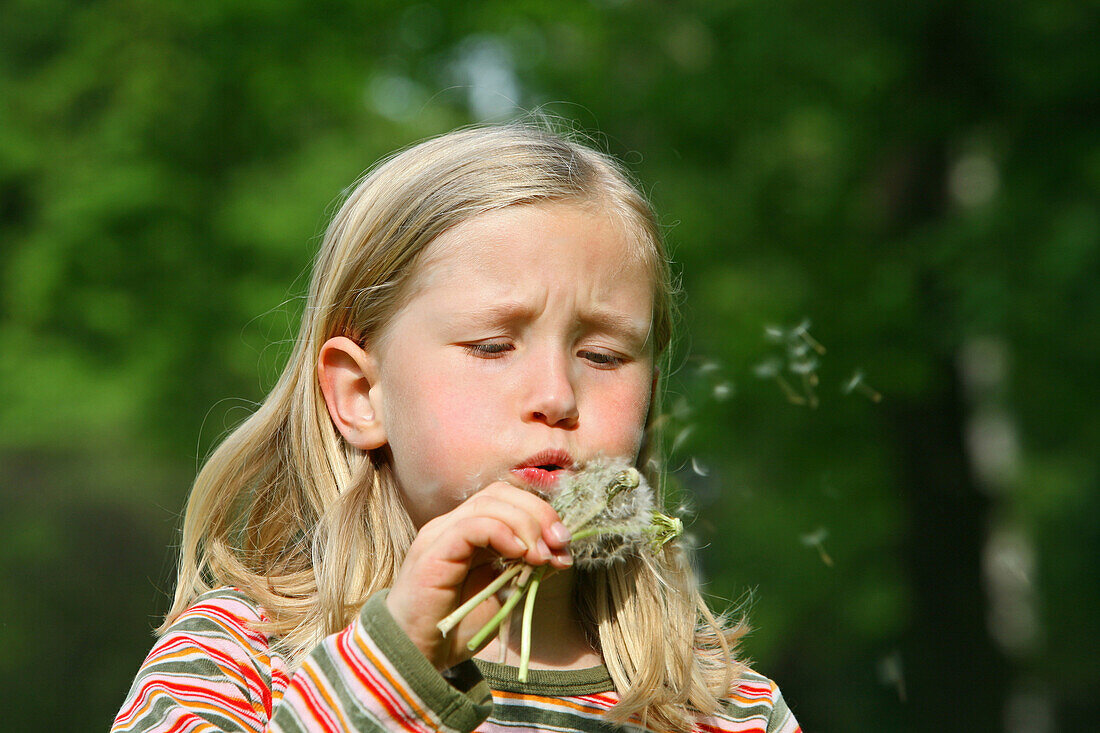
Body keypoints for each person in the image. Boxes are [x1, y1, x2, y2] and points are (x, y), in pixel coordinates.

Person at [113, 124, 801, 733]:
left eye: (603, 355)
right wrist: (391, 667)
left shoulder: (726, 708)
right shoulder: (238, 660)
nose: (558, 395)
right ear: (361, 393)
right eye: (493, 346)